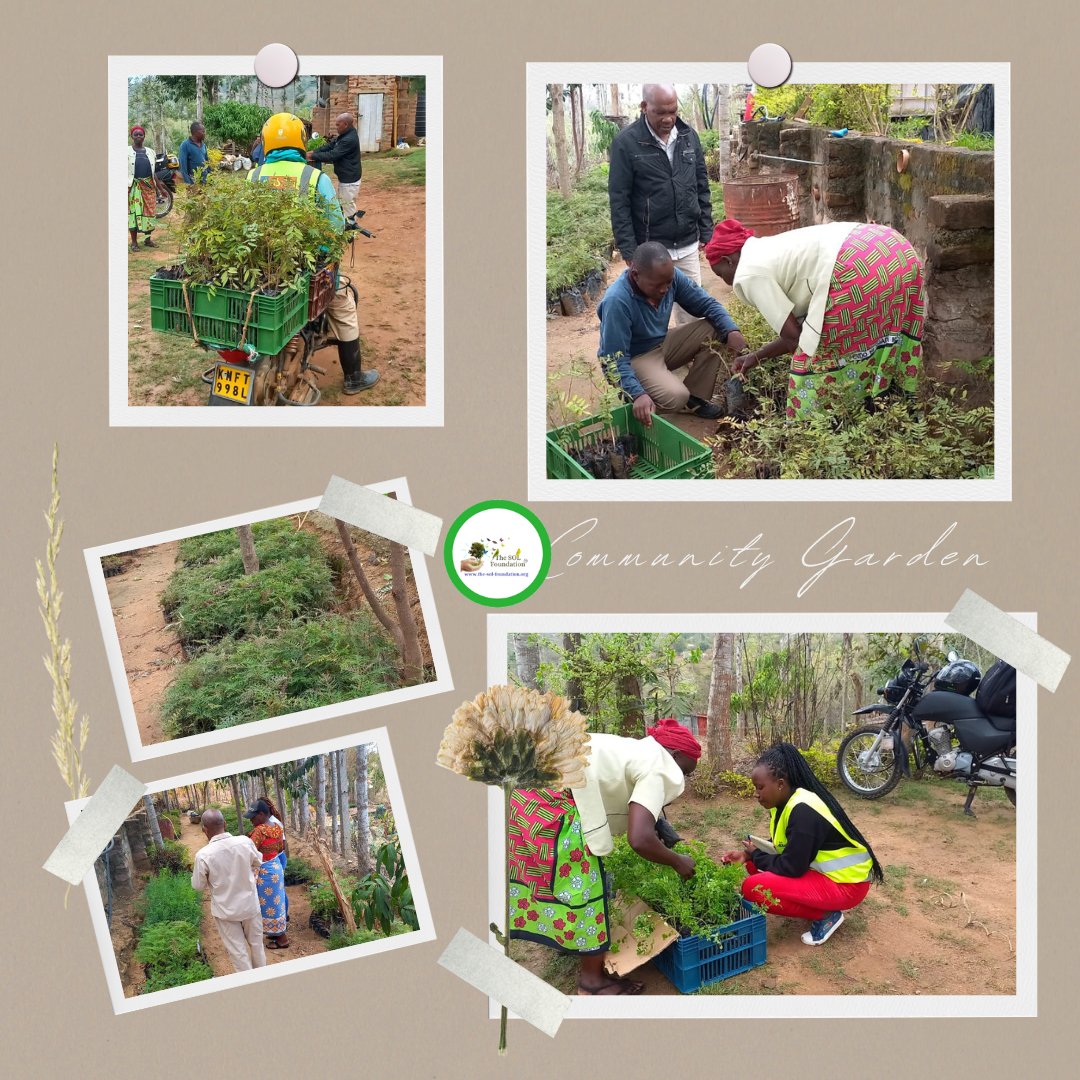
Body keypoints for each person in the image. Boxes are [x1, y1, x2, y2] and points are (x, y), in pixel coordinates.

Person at [507, 717, 702, 996]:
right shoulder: (660, 765)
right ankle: (592, 982)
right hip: (554, 803)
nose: (684, 778)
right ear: (675, 756)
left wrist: (662, 833)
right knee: (586, 886)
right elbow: (640, 839)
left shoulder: (635, 750)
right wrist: (677, 861)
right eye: (687, 771)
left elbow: (640, 811)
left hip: (527, 799)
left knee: (562, 884)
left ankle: (574, 943)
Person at [705, 217, 928, 419]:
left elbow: (795, 339)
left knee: (814, 360)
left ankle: (813, 427)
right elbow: (796, 328)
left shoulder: (748, 273)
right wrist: (755, 357)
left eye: (719, 274)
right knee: (885, 329)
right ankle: (894, 402)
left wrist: (758, 357)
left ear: (729, 261)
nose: (724, 281)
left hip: (856, 266)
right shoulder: (765, 248)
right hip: (893, 248)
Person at [249, 112, 378, 394]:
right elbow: (333, 225)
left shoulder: (253, 176)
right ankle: (354, 377)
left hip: (262, 267)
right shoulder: (313, 177)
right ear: (300, 140)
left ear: (267, 141)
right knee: (343, 306)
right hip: (304, 268)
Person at [722, 743, 884, 946]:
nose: (756, 793)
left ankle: (825, 915)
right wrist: (747, 855)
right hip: (827, 875)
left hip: (848, 885)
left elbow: (792, 867)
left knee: (753, 889)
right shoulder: (786, 802)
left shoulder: (803, 811)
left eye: (760, 787)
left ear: (780, 784)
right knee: (753, 865)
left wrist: (756, 854)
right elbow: (787, 844)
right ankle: (816, 905)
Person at [597, 241, 749, 424]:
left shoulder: (669, 278)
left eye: (668, 283)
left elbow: (707, 304)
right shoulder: (617, 301)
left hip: (660, 343)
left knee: (715, 328)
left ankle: (693, 398)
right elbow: (613, 359)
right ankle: (639, 401)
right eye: (657, 285)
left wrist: (732, 330)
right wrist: (637, 394)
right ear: (635, 275)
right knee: (675, 397)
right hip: (634, 356)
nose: (665, 289)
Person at [608, 84, 714, 324]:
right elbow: (619, 201)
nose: (668, 119)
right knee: (650, 319)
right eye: (660, 112)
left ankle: (691, 360)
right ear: (645, 107)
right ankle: (653, 360)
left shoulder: (688, 137)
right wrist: (629, 249)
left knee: (694, 316)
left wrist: (706, 229)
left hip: (687, 244)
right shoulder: (627, 143)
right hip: (650, 251)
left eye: (673, 111)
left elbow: (701, 186)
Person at [190, 808, 266, 972]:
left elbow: (197, 885)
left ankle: (250, 988)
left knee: (238, 953)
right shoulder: (245, 842)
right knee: (257, 945)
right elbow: (258, 861)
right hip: (250, 906)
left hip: (225, 912)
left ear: (204, 829)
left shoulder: (203, 855)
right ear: (224, 824)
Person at [243, 799, 289, 950]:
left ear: (262, 814)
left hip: (265, 873)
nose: (251, 821)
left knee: (269, 906)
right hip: (276, 867)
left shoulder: (259, 831)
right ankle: (276, 933)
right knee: (277, 903)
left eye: (253, 817)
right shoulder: (277, 827)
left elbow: (250, 853)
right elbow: (281, 847)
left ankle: (282, 939)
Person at [307, 112, 361, 221]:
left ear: (345, 124)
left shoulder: (349, 139)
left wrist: (312, 155)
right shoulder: (344, 135)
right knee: (343, 203)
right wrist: (314, 151)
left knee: (348, 206)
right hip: (346, 177)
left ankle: (351, 233)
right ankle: (348, 228)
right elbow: (330, 146)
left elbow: (333, 155)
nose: (336, 127)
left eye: (338, 125)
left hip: (350, 179)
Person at [127, 126, 157, 251]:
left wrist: (160, 188)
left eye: (141, 135)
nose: (138, 137)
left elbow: (153, 171)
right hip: (133, 187)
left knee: (149, 213)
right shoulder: (125, 151)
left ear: (144, 137)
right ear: (131, 137)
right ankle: (134, 242)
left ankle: (148, 239)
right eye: (136, 135)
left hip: (149, 186)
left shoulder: (150, 152)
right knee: (133, 214)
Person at [178, 121, 209, 185]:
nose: (204, 133)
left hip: (205, 182)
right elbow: (183, 167)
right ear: (195, 132)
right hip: (193, 183)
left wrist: (210, 177)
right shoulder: (185, 145)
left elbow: (207, 163)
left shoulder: (204, 145)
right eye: (203, 131)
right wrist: (188, 184)